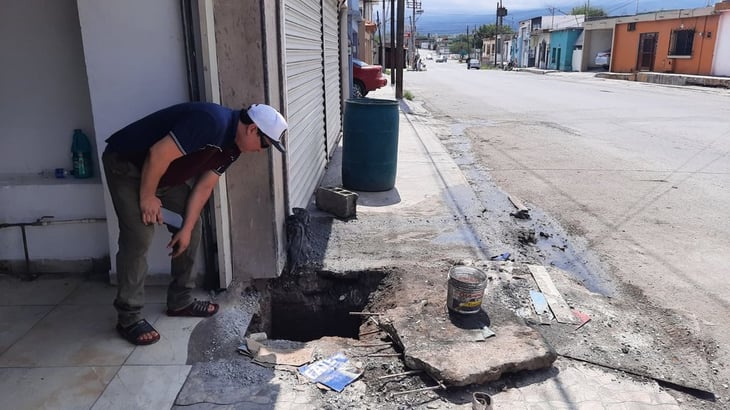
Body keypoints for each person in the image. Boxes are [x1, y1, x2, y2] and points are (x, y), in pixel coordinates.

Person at [102, 102, 287, 345]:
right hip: (127, 165)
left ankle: (180, 300)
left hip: (164, 176)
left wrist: (186, 229)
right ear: (252, 129)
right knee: (139, 235)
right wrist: (148, 197)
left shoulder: (233, 148)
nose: (262, 150)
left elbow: (204, 187)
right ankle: (129, 316)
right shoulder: (211, 122)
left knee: (192, 225)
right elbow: (158, 153)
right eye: (265, 144)